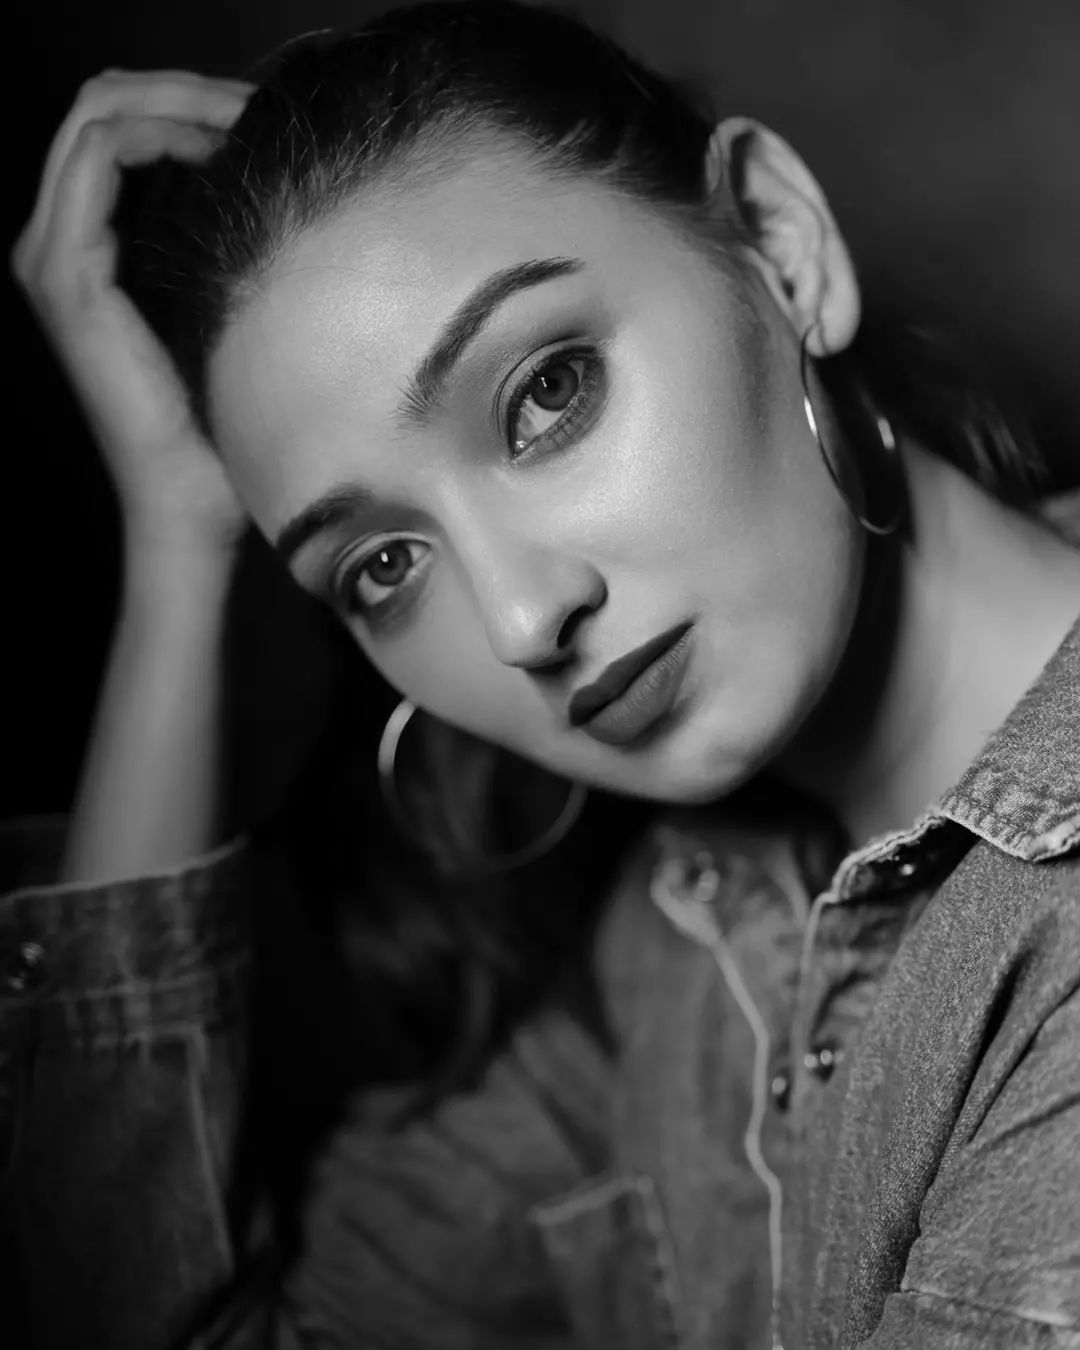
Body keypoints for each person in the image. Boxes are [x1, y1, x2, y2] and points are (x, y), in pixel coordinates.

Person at [5, 1, 1080, 1346]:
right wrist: (176, 542)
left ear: (781, 246)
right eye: (383, 566)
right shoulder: (680, 938)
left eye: (548, 392)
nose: (521, 618)